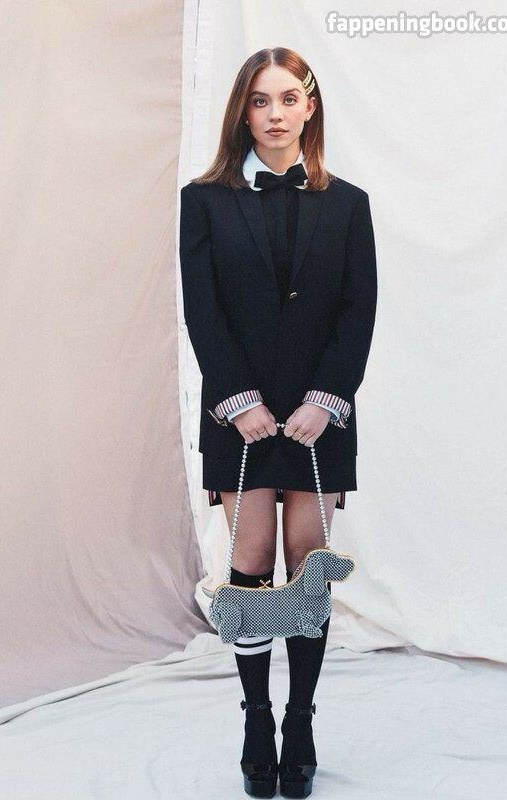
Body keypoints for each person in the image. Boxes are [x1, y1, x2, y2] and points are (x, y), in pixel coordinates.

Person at [179, 47, 377, 798]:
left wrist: (326, 399)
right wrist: (240, 400)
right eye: (260, 100)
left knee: (307, 557)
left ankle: (301, 719)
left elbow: (358, 309)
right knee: (253, 555)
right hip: (241, 416)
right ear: (243, 111)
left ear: (309, 107)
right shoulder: (204, 200)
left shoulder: (349, 203)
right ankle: (257, 717)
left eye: (288, 98)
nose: (274, 114)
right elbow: (204, 310)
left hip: (320, 416)